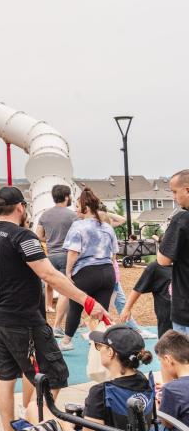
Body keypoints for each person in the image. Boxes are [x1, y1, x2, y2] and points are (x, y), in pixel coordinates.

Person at [0, 186, 107, 429]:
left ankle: (11, 425)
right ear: (20, 208)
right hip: (24, 319)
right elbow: (49, 275)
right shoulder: (23, 237)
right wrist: (87, 301)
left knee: (6, 375)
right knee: (55, 373)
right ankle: (34, 419)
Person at [59, 187, 119, 351]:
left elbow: (73, 252)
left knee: (76, 306)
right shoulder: (107, 227)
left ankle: (66, 341)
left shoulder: (78, 226)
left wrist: (68, 272)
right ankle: (101, 343)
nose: (76, 209)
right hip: (107, 271)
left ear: (85, 208)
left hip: (86, 272)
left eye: (78, 206)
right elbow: (114, 254)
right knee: (102, 309)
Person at [83, 325, 154, 428]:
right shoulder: (145, 381)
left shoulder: (100, 393)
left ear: (110, 352)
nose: (99, 349)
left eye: (99, 346)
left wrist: (65, 426)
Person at [34, 184, 76, 319]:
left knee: (50, 284)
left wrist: (51, 239)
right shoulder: (72, 215)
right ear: (66, 197)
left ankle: (48, 306)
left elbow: (38, 235)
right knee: (68, 288)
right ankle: (67, 316)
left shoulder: (44, 215)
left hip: (51, 255)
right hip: (66, 255)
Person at [157, 169, 189, 334]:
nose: (174, 197)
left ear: (187, 189)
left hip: (186, 308)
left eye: (175, 192)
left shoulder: (182, 219)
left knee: (184, 358)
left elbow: (163, 260)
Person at [119, 260, 172, 338]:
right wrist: (127, 308)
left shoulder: (183, 264)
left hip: (184, 316)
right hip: (166, 319)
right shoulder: (156, 267)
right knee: (167, 345)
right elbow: (138, 288)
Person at [155, 330, 189, 427]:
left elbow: (167, 423)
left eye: (160, 361)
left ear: (167, 359)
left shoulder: (172, 389)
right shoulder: (173, 388)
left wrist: (158, 406)